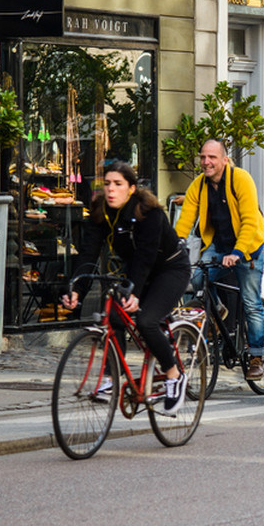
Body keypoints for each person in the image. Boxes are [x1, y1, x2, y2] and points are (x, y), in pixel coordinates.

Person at [61, 163, 191, 415]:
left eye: (118, 184)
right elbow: (88, 253)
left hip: (169, 269)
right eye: (107, 184)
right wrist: (77, 288)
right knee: (113, 316)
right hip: (136, 270)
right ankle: (112, 378)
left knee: (147, 320)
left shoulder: (149, 212)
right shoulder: (100, 211)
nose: (111, 190)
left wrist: (135, 293)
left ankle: (174, 374)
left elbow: (146, 255)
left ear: (131, 189)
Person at [173, 139, 264, 380]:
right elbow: (186, 219)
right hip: (219, 244)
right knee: (196, 279)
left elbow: (249, 221)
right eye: (203, 157)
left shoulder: (241, 179)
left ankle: (257, 357)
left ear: (224, 160)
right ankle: (219, 310)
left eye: (212, 157)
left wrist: (237, 253)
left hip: (248, 248)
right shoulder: (199, 185)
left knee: (251, 303)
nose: (206, 162)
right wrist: (174, 246)